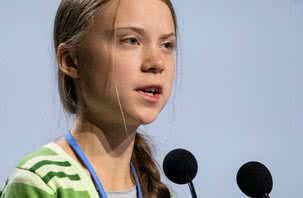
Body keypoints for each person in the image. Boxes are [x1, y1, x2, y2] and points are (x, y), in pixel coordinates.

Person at [0, 0, 178, 197]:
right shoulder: (41, 182)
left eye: (167, 45)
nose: (157, 62)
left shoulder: (155, 191)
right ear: (70, 60)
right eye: (131, 40)